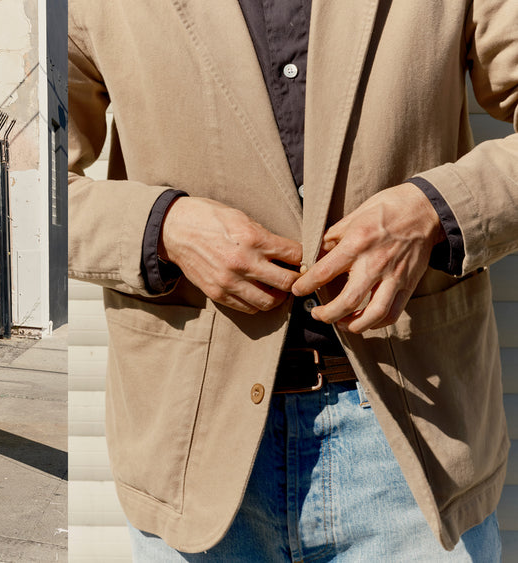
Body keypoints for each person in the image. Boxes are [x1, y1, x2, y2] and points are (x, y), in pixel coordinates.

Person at [68, 1, 518, 560]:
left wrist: (434, 213)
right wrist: (165, 229)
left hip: (415, 445)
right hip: (192, 450)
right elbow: (29, 187)